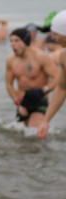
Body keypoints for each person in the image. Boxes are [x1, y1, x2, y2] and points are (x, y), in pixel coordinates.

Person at [5, 27, 58, 128]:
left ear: (25, 41)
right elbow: (8, 84)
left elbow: (57, 77)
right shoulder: (10, 60)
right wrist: (17, 101)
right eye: (11, 41)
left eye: (16, 40)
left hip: (39, 100)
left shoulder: (40, 56)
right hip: (22, 102)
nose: (12, 44)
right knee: (22, 136)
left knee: (34, 133)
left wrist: (44, 90)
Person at [38, 9, 66, 138]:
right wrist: (45, 120)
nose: (52, 38)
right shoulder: (63, 56)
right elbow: (62, 87)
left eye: (55, 34)